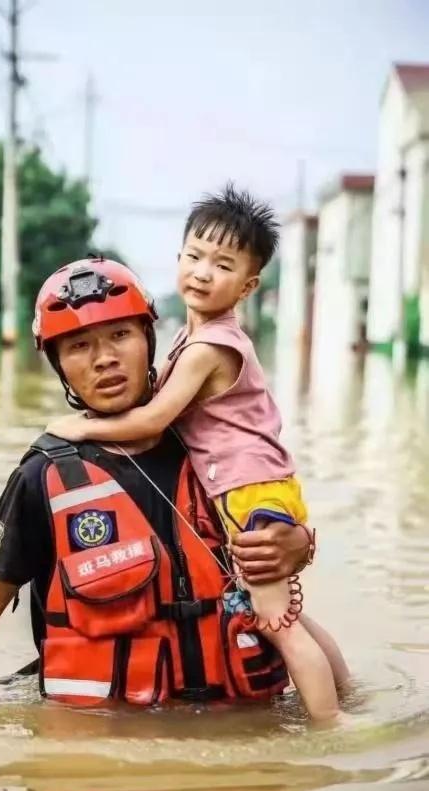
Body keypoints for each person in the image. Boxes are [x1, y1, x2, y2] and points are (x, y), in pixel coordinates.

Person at [0, 258, 313, 709]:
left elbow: (275, 518)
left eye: (120, 335)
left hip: (240, 736)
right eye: (79, 345)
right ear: (59, 364)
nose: (105, 359)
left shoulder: (214, 449)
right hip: (107, 741)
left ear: (148, 338)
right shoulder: (43, 477)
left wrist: (298, 544)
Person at [47, 189, 349, 721]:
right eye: (195, 256)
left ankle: (333, 727)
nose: (204, 273)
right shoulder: (191, 341)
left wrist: (71, 427)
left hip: (248, 492)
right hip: (256, 488)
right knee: (279, 609)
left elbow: (150, 423)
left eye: (224, 265)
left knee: (276, 619)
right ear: (179, 258)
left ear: (249, 285)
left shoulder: (211, 346)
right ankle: (347, 691)